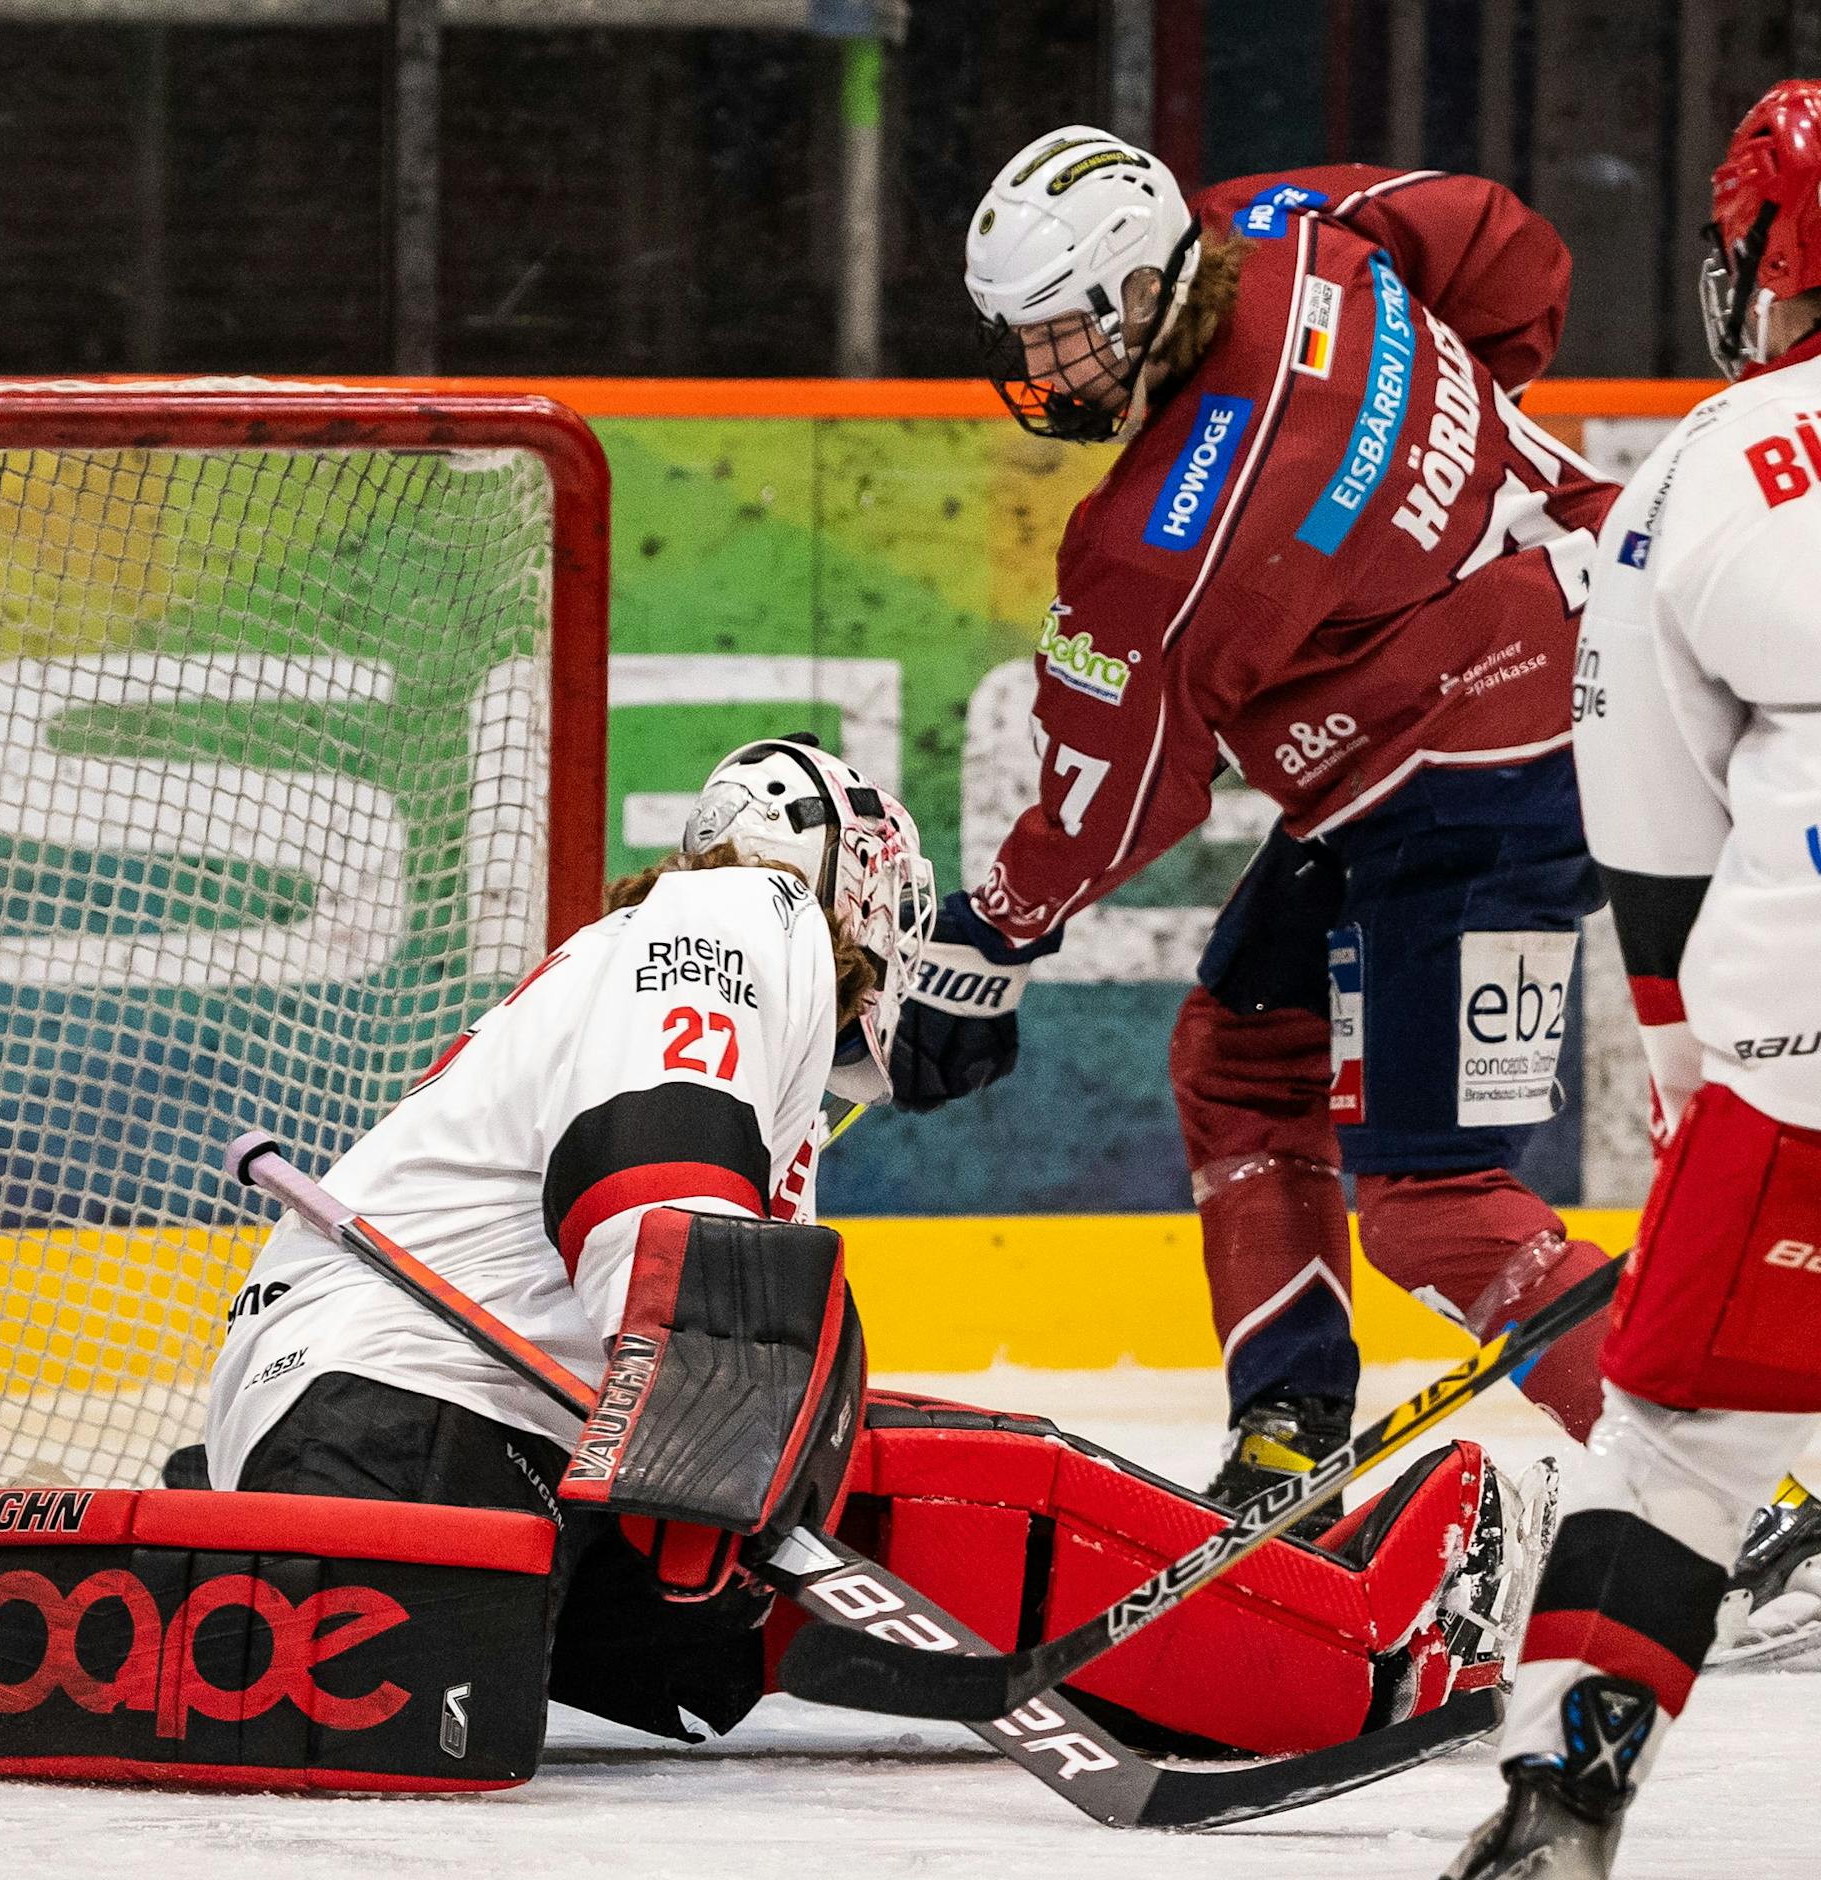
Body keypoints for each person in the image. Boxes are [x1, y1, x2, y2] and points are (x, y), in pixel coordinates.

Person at [196, 734, 1536, 1773]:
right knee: (963, 1485)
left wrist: (714, 1433)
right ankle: (1355, 1639)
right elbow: (649, 1172)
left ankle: (1279, 1632)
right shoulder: (745, 914)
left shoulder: (649, 963)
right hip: (408, 1427)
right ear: (856, 877)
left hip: (399, 1445)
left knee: (873, 1450)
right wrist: (702, 1430)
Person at [891, 127, 1620, 1521]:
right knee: (1243, 1051)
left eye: (1057, 337)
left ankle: (1743, 1503)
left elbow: (1116, 792)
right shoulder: (1278, 222)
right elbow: (1502, 247)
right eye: (1018, 340)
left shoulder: (1152, 543)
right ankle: (1290, 1432)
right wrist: (1434, 452)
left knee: (1435, 1202)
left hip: (1488, 780)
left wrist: (994, 935)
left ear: (1139, 292)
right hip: (1591, 658)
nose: (1038, 374)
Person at [1446, 79, 1821, 1877]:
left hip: (1805, 1058)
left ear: (1766, 260)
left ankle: (1562, 1809)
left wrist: (1691, 1074)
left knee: (1678, 1451)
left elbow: (1654, 827)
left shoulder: (1709, 467)